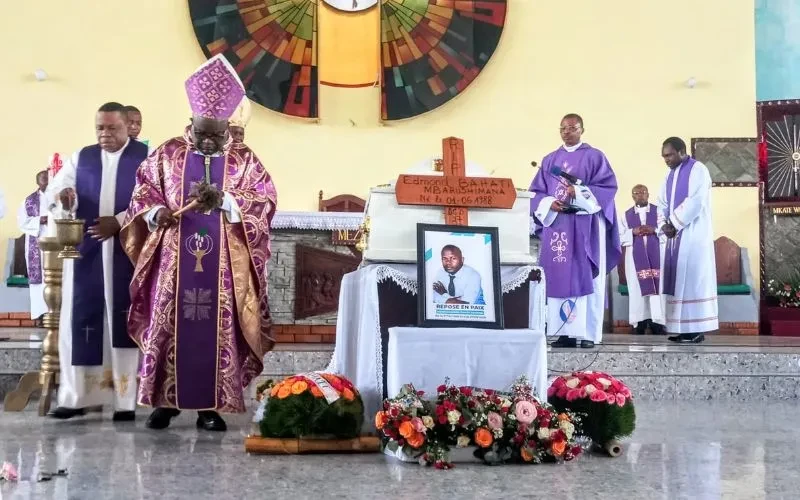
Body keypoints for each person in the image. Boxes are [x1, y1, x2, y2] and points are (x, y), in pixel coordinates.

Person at [120, 54, 278, 432]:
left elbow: (265, 200)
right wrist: (156, 213)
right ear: (192, 122)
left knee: (218, 326)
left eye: (216, 133)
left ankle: (211, 406)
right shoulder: (167, 153)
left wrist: (226, 201)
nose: (209, 140)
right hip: (173, 260)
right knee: (168, 323)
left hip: (222, 266)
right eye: (203, 131)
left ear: (228, 126)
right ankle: (164, 403)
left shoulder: (243, 159)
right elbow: (143, 194)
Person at [46, 102, 149, 420]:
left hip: (126, 252)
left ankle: (124, 401)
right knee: (80, 320)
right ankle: (76, 396)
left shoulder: (146, 158)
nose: (105, 134)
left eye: (112, 128)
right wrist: (66, 196)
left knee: (123, 320)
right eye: (100, 128)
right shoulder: (82, 157)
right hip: (87, 252)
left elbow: (153, 199)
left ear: (127, 127)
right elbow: (57, 188)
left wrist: (119, 220)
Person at [529, 113, 621, 348]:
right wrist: (549, 203)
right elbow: (536, 192)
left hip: (584, 224)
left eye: (571, 128)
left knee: (586, 275)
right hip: (558, 224)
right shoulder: (550, 160)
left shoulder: (594, 156)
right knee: (558, 276)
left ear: (582, 129)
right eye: (562, 128)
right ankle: (563, 332)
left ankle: (588, 334)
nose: (566, 132)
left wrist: (578, 193)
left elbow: (608, 187)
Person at [657, 137, 718, 343]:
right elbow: (662, 203)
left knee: (692, 283)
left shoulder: (697, 169)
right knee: (677, 283)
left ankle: (696, 330)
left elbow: (695, 200)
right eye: (664, 156)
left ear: (682, 151)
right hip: (674, 238)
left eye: (669, 155)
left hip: (693, 236)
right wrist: (664, 224)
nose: (666, 159)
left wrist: (673, 223)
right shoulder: (669, 175)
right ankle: (682, 329)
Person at [619, 184, 665, 335]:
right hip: (634, 258)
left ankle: (657, 322)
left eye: (643, 192)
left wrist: (654, 230)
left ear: (648, 194)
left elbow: (667, 230)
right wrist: (633, 231)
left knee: (656, 289)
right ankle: (639, 323)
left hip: (656, 255)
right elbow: (619, 236)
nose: (640, 195)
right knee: (637, 289)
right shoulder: (626, 215)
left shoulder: (658, 211)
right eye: (637, 193)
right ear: (632, 196)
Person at [16, 169, 50, 320]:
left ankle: (57, 313)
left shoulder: (59, 196)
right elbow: (21, 222)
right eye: (43, 179)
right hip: (37, 244)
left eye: (48, 179)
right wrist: (39, 220)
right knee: (39, 281)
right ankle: (41, 315)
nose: (46, 182)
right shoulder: (28, 201)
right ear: (37, 182)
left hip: (57, 244)